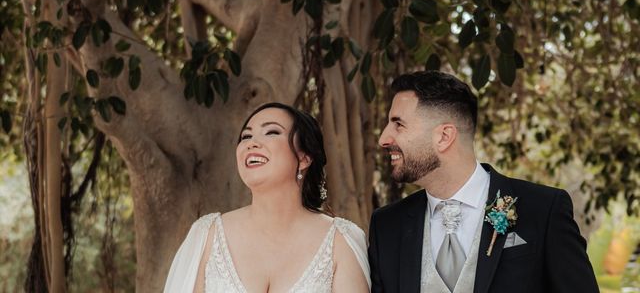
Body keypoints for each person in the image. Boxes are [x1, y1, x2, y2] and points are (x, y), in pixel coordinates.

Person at [368, 71, 599, 293]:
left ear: (444, 136)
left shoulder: (543, 210)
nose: (383, 139)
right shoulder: (387, 226)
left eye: (398, 124)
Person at [164, 102, 371, 293]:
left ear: (304, 157)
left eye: (271, 132)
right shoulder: (206, 235)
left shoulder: (342, 241)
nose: (252, 143)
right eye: (246, 136)